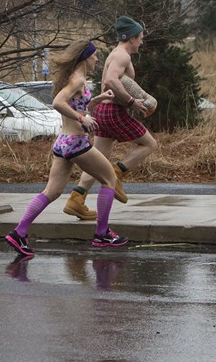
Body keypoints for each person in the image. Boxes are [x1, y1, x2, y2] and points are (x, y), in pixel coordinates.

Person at [5, 39, 128, 257]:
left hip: (63, 143)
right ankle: (102, 234)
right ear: (86, 57)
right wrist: (82, 119)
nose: (97, 59)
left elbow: (77, 105)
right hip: (76, 143)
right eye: (94, 55)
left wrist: (98, 99)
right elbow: (58, 103)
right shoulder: (77, 79)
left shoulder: (73, 78)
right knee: (109, 179)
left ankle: (19, 233)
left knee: (52, 191)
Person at [63, 16, 159, 220]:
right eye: (140, 38)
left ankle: (76, 198)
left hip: (102, 111)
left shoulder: (117, 54)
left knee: (99, 159)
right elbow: (111, 81)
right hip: (113, 111)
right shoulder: (122, 56)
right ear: (132, 38)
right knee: (150, 144)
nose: (141, 42)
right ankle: (117, 173)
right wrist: (131, 102)